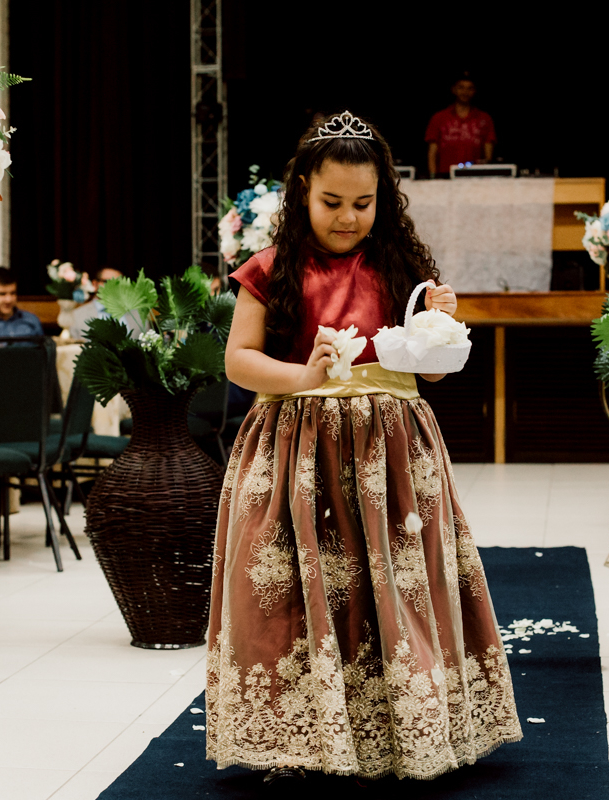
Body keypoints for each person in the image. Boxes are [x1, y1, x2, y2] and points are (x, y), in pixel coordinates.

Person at [207, 111, 521, 786]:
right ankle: (305, 735)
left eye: (363, 203)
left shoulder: (402, 267)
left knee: (395, 581)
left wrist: (440, 324)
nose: (348, 218)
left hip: (392, 453)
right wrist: (303, 377)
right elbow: (238, 361)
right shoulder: (267, 269)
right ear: (300, 193)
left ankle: (403, 725)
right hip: (298, 447)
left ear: (384, 198)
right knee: (299, 587)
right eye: (331, 203)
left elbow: (431, 372)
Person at [425, 73, 497, 177]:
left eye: (470, 88)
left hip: (475, 176)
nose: (465, 92)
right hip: (445, 176)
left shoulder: (485, 119)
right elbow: (432, 153)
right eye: (461, 88)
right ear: (453, 89)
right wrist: (433, 176)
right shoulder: (439, 118)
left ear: (475, 91)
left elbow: (488, 156)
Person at [68, 266, 136, 339]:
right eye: (107, 282)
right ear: (95, 284)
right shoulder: (77, 315)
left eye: (118, 283)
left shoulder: (137, 315)